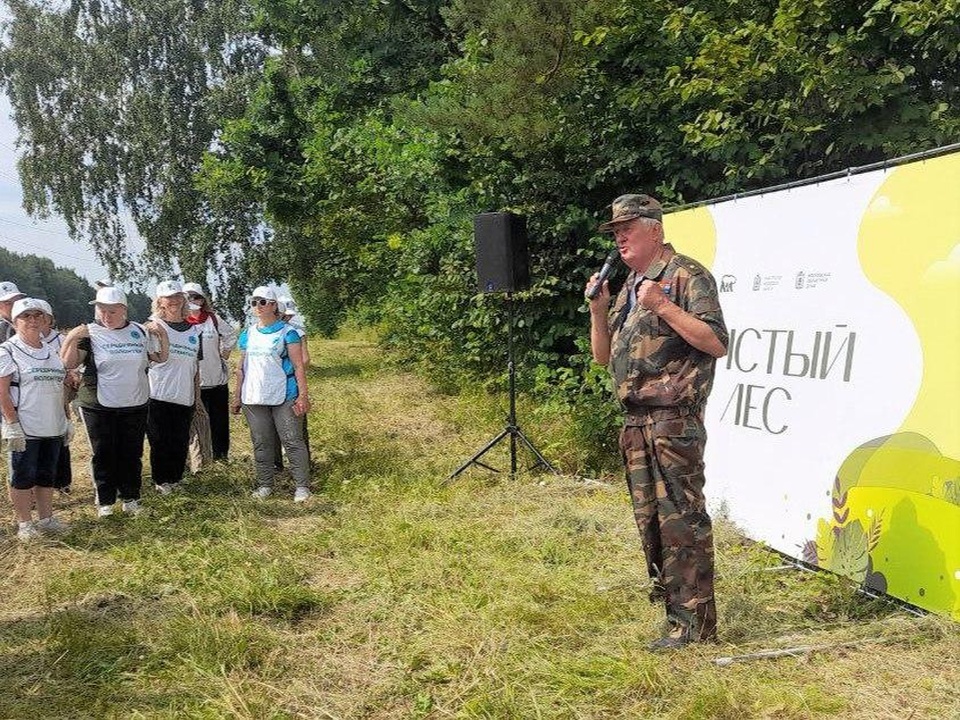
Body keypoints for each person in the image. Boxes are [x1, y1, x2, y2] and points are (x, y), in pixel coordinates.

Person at [587, 193, 728, 650]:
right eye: (616, 231)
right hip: (636, 422)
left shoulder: (686, 276)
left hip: (673, 421)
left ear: (656, 229)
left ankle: (696, 627)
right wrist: (598, 310)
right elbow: (602, 356)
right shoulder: (631, 284)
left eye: (628, 228)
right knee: (651, 520)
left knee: (681, 521)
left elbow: (717, 343)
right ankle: (674, 616)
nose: (621, 237)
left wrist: (664, 306)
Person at [61, 286, 167, 516]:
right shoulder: (89, 333)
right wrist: (71, 336)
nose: (105, 316)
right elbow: (68, 363)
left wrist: (162, 336)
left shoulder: (139, 331)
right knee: (103, 453)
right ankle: (105, 502)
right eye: (101, 311)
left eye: (112, 312)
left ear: (123, 311)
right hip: (98, 405)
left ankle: (131, 498)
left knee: (131, 452)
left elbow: (159, 357)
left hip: (135, 403)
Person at [232, 286, 312, 502]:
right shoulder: (248, 333)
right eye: (254, 302)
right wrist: (237, 396)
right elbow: (242, 367)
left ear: (274, 305)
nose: (258, 306)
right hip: (254, 397)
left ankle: (302, 486)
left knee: (292, 440)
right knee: (261, 442)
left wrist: (303, 396)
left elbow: (299, 366)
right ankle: (265, 484)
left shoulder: (288, 333)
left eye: (263, 302)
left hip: (284, 395)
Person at [0, 298, 71, 538]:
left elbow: (59, 386)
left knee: (46, 475)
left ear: (45, 320)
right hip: (25, 427)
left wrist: (66, 418)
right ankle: (24, 524)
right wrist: (11, 425)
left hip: (52, 424)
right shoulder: (7, 350)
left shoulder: (51, 351)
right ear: (15, 321)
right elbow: (2, 393)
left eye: (37, 316)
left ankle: (46, 518)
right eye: (25, 316)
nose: (32, 321)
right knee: (22, 476)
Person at [147, 281, 203, 494]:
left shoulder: (193, 330)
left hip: (185, 395)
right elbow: (152, 359)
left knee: (180, 441)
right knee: (160, 441)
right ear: (160, 301)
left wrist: (196, 398)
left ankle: (176, 478)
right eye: (168, 297)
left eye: (178, 296)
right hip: (159, 394)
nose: (174, 301)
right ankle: (162, 481)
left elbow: (195, 367)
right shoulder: (153, 326)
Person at [184, 281, 236, 461]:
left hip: (216, 381)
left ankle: (221, 457)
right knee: (195, 424)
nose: (193, 300)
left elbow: (230, 335)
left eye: (196, 297)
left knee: (219, 423)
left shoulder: (213, 318)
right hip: (192, 384)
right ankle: (199, 460)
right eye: (188, 297)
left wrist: (225, 353)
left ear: (203, 300)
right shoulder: (180, 322)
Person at [36, 299, 74, 495]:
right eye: (34, 317)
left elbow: (71, 366)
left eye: (43, 317)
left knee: (61, 439)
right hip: (36, 398)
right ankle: (41, 484)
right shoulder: (26, 340)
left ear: (50, 320)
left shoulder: (60, 339)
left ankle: (63, 482)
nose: (38, 321)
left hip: (58, 395)